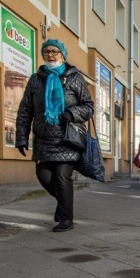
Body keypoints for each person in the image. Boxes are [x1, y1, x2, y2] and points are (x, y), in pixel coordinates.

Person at [15, 39, 94, 232]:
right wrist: (21, 138)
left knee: (61, 176)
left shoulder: (74, 78)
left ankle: (66, 219)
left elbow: (88, 106)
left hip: (67, 138)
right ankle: (65, 205)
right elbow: (25, 110)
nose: (50, 55)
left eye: (55, 51)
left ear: (63, 55)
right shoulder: (36, 79)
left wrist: (71, 114)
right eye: (47, 51)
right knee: (43, 176)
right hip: (43, 139)